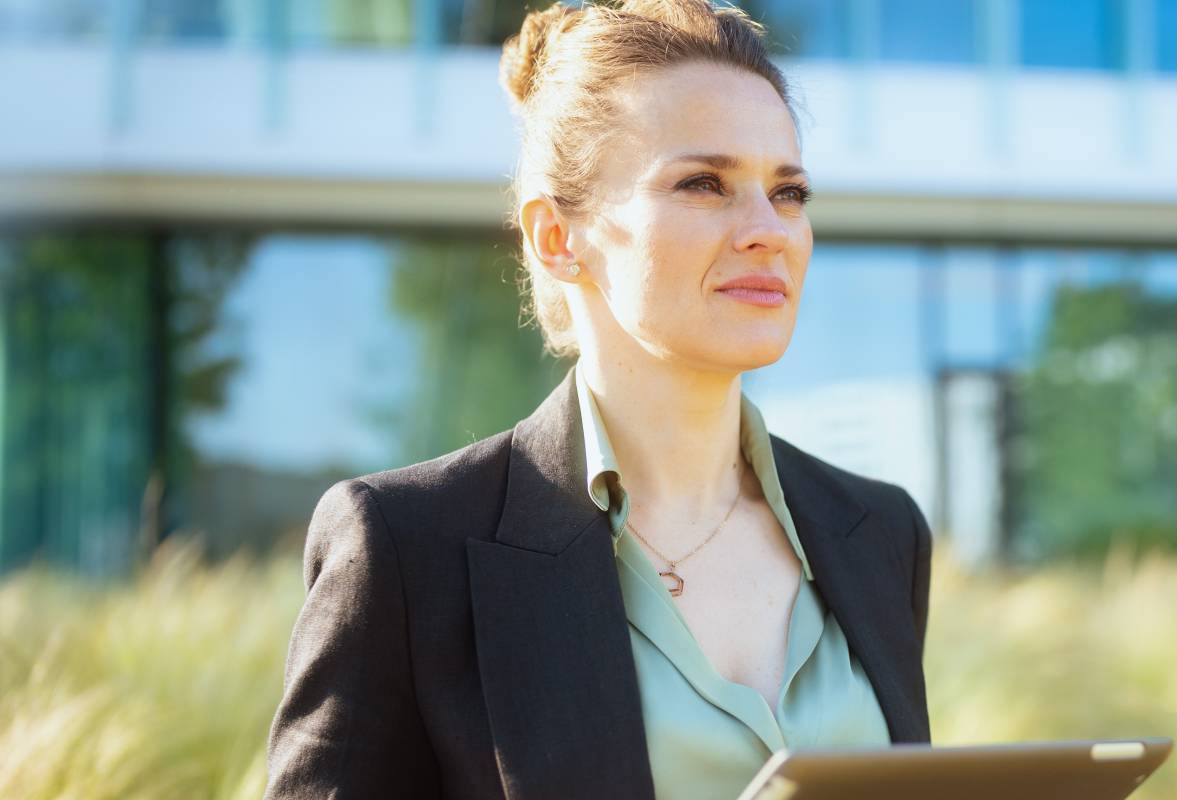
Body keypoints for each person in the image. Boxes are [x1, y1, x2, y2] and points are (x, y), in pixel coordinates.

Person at [262, 2, 934, 797]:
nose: (769, 230)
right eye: (703, 183)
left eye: (789, 193)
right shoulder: (409, 549)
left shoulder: (880, 533)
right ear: (556, 237)